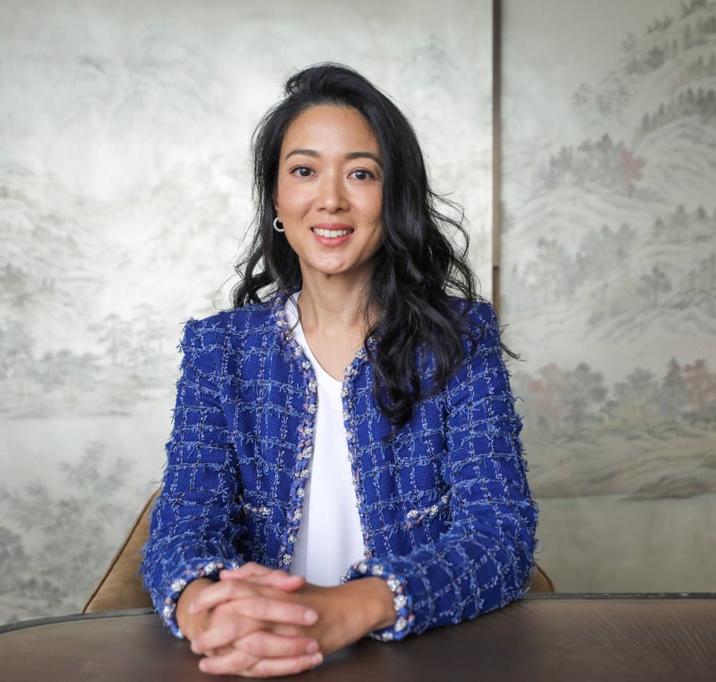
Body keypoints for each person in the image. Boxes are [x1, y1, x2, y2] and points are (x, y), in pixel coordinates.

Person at [141, 63, 537, 678]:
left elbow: (500, 538)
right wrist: (203, 606)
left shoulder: (460, 340)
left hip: (419, 655)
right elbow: (184, 520)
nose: (331, 198)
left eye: (360, 173)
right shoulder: (220, 350)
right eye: (304, 171)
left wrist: (347, 610)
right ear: (277, 197)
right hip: (252, 655)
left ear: (393, 196)